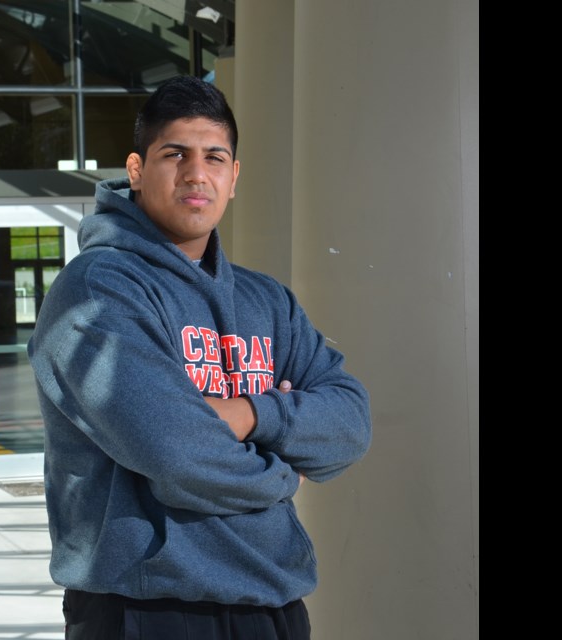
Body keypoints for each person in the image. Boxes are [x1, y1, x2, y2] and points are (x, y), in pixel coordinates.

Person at [27, 75, 371, 639]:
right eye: (175, 154)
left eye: (215, 157)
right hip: (147, 608)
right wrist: (286, 475)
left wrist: (250, 415)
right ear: (137, 169)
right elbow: (175, 451)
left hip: (273, 604)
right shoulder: (98, 291)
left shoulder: (268, 301)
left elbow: (351, 422)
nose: (196, 173)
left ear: (233, 177)